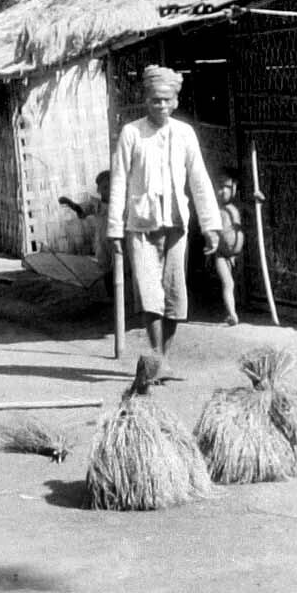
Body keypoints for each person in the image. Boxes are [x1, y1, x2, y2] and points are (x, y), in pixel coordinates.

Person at [106, 65, 221, 372]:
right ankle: (156, 356)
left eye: (166, 100)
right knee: (149, 294)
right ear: (146, 100)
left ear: (175, 102)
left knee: (173, 294)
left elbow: (199, 179)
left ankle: (163, 360)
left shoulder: (184, 134)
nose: (160, 105)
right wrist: (115, 229)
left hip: (175, 226)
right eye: (155, 99)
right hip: (141, 226)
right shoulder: (132, 133)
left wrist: (211, 226)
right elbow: (119, 180)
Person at [59, 170, 114, 296]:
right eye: (105, 188)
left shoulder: (119, 203)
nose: (108, 191)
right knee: (106, 268)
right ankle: (110, 295)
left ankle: (122, 296)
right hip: (103, 242)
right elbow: (81, 209)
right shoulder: (96, 204)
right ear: (99, 190)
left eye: (111, 187)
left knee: (119, 266)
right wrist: (69, 203)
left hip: (118, 241)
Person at [211, 169, 246, 326]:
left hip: (237, 254)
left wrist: (258, 199)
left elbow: (253, 210)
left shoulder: (238, 207)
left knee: (238, 284)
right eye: (219, 187)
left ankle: (240, 307)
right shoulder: (215, 209)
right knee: (228, 283)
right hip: (221, 254)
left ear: (235, 187)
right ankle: (232, 314)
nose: (222, 191)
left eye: (227, 187)